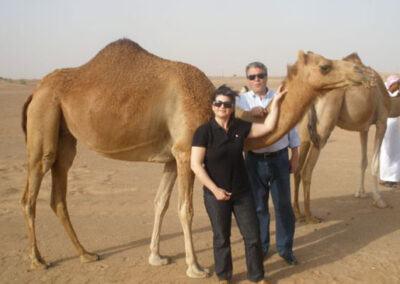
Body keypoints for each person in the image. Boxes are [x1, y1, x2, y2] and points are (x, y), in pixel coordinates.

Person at [191, 84, 286, 284]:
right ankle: (224, 277)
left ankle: (257, 276)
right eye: (218, 103)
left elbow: (268, 127)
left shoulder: (240, 127)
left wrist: (276, 101)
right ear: (212, 106)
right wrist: (215, 190)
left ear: (232, 107)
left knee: (252, 236)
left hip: (242, 193)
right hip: (215, 195)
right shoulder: (204, 132)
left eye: (226, 104)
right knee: (221, 238)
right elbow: (196, 165)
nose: (222, 107)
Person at [236, 62, 300, 265]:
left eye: (260, 75)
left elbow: (292, 128)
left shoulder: (279, 97)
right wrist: (248, 114)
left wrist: (295, 156)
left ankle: (285, 249)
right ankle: (262, 248)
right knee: (258, 208)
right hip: (253, 161)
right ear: (248, 79)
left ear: (266, 76)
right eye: (253, 76)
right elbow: (234, 124)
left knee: (283, 206)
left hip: (279, 158)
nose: (257, 79)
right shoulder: (242, 101)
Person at [379, 74, 400, 188]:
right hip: (386, 123)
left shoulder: (396, 95)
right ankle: (384, 177)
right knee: (386, 151)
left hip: (394, 125)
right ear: (393, 83)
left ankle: (394, 178)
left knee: (396, 150)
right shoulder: (384, 94)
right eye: (398, 83)